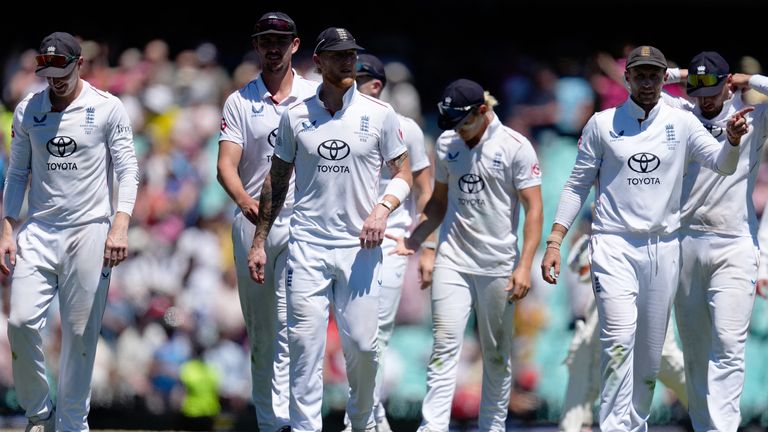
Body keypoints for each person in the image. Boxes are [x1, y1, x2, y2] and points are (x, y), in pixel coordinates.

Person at [540, 45, 750, 431]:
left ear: (663, 78)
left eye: (656, 74)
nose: (650, 82)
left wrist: (733, 140)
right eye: (641, 75)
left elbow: (722, 165)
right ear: (628, 78)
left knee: (650, 361)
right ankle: (615, 427)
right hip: (613, 242)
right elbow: (575, 186)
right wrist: (554, 240)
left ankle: (633, 424)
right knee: (618, 341)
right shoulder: (603, 124)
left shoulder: (681, 123)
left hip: (663, 247)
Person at [249, 27, 412, 432]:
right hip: (307, 246)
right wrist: (258, 242)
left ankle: (360, 422)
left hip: (360, 247)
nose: (347, 62)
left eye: (351, 55)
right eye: (338, 56)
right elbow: (276, 180)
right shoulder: (297, 115)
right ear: (318, 62)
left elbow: (403, 173)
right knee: (304, 347)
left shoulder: (379, 114)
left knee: (362, 346)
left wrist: (382, 208)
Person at [0, 31, 139, 432]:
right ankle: (38, 415)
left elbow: (128, 169)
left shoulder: (108, 108)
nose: (56, 80)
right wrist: (8, 227)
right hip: (40, 230)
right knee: (20, 322)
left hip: (90, 231)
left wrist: (121, 223)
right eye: (49, 72)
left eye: (63, 70)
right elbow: (17, 172)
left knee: (79, 335)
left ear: (80, 64)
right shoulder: (29, 109)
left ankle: (73, 424)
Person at [389, 78, 543, 431]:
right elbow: (439, 202)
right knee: (444, 347)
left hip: (499, 266)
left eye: (463, 122)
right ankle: (433, 426)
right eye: (452, 124)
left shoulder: (515, 147)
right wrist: (418, 241)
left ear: (483, 111)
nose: (457, 131)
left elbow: (534, 209)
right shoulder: (447, 144)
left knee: (496, 354)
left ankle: (492, 425)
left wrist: (524, 265)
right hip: (453, 261)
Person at [216, 12, 318, 432]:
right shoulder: (240, 101)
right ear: (257, 45)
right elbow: (226, 165)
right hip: (253, 221)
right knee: (262, 330)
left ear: (295, 45)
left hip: (303, 221)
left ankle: (299, 420)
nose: (273, 47)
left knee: (297, 324)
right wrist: (245, 202)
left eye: (282, 40)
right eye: (265, 41)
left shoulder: (315, 96)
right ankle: (270, 423)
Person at [671, 51, 768, 431]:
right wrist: (684, 75)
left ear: (729, 85)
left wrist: (747, 81)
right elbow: (643, 82)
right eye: (698, 91)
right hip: (685, 243)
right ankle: (703, 426)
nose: (705, 99)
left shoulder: (754, 118)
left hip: (734, 244)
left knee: (728, 345)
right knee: (695, 352)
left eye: (713, 90)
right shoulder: (679, 117)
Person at [337, 53, 433, 432]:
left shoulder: (406, 128)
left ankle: (360, 421)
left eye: (354, 78)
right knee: (353, 338)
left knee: (374, 337)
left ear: (374, 85)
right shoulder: (334, 123)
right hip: (342, 243)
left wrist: (425, 244)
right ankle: (371, 417)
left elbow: (425, 188)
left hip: (392, 241)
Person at [558, 232, 687, 432]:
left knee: (661, 356)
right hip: (614, 267)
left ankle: (713, 415)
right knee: (585, 352)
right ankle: (575, 426)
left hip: (650, 271)